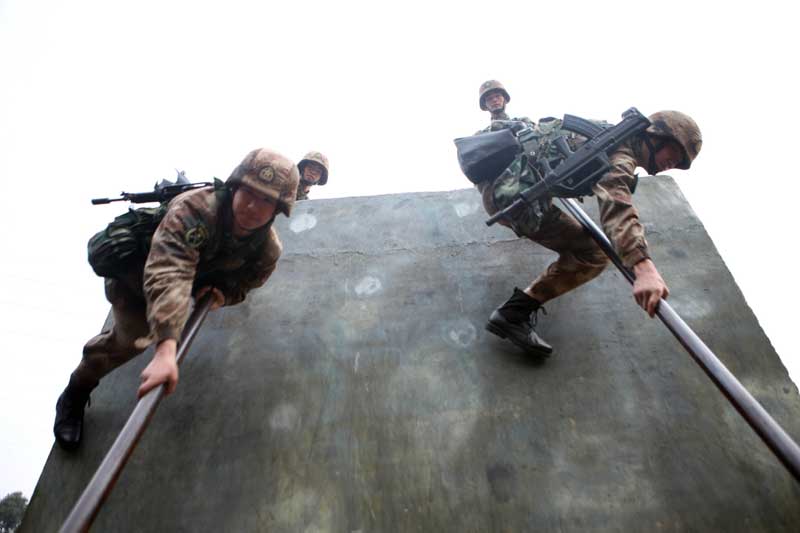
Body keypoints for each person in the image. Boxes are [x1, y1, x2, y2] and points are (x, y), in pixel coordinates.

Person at [53, 148, 300, 450]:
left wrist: (224, 295)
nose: (252, 205)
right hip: (138, 271)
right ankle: (76, 391)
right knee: (129, 340)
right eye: (249, 192)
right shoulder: (195, 209)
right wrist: (166, 348)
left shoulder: (268, 250)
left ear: (278, 209)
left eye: (266, 200)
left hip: (189, 275)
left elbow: (248, 283)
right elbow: (168, 271)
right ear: (235, 186)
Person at [475, 109, 702, 357]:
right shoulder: (620, 151)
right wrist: (643, 266)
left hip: (507, 185)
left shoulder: (609, 135)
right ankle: (512, 315)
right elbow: (616, 204)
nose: (673, 164)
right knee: (593, 253)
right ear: (657, 136)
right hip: (513, 197)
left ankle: (512, 313)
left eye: (680, 163)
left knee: (591, 247)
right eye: (676, 153)